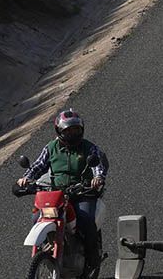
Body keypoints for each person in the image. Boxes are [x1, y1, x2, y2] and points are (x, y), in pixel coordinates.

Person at [18, 109, 107, 271]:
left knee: (86, 220)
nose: (73, 133)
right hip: (57, 194)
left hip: (81, 193)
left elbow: (98, 167)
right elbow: (38, 166)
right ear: (59, 131)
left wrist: (98, 179)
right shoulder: (51, 148)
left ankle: (92, 258)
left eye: (76, 130)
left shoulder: (89, 148)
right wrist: (26, 179)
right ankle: (48, 247)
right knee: (37, 216)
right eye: (68, 130)